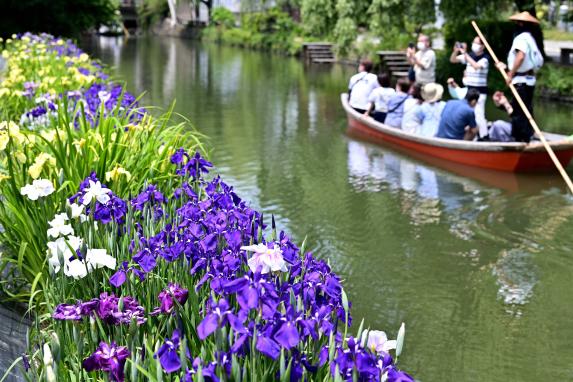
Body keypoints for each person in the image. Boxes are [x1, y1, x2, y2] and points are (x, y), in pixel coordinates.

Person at [495, 11, 544, 142]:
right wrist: (505, 67)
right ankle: (527, 134)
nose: (515, 26)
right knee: (526, 109)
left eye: (517, 23)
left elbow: (521, 56)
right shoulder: (530, 39)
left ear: (521, 24)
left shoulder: (521, 38)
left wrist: (509, 74)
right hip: (529, 80)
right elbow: (527, 63)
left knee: (519, 112)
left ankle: (521, 139)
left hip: (521, 81)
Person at [449, 36, 490, 137]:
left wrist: (465, 54)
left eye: (477, 43)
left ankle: (484, 136)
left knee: (479, 114)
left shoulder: (485, 58)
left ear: (483, 46)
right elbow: (453, 60)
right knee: (468, 113)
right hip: (469, 90)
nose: (474, 45)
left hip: (480, 91)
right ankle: (471, 135)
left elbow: (476, 66)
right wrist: (455, 51)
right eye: (474, 42)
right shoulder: (469, 55)